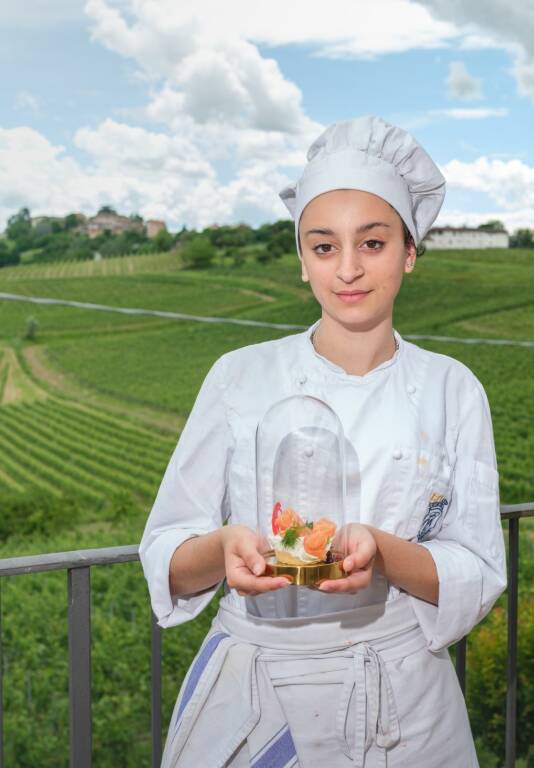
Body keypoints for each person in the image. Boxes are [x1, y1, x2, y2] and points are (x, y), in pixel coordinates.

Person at [139, 115, 507, 768]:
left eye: (372, 243)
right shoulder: (239, 376)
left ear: (410, 251)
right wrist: (223, 547)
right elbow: (167, 553)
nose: (348, 270)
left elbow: (476, 568)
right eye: (323, 246)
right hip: (257, 692)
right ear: (303, 261)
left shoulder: (454, 390)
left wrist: (385, 553)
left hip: (405, 706)